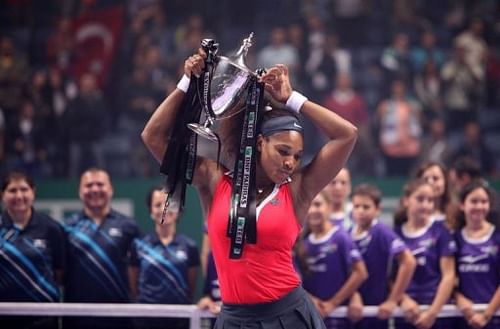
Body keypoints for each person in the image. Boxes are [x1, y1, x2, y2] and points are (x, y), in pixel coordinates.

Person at [141, 47, 358, 328]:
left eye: (297, 156)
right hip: (234, 319)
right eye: (282, 151)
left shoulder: (299, 189)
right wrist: (188, 82)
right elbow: (153, 137)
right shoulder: (213, 179)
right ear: (259, 143)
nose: (291, 162)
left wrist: (291, 99)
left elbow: (347, 134)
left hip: (289, 316)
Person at [63, 167, 140, 329]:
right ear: (80, 191)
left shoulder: (128, 227)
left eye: (100, 184)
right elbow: (58, 274)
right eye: (89, 185)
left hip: (119, 318)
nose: (95, 189)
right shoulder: (67, 228)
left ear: (111, 189)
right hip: (77, 318)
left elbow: (138, 272)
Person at [0, 171, 65, 329]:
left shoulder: (51, 228)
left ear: (33, 193)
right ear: (2, 195)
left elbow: (59, 272)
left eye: (24, 189)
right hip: (4, 317)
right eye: (12, 190)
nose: (19, 196)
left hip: (43, 318)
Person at [129, 186, 200, 329]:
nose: (164, 209)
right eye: (157, 205)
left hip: (180, 321)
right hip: (146, 321)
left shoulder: (189, 247)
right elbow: (134, 287)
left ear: (179, 210)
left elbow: (191, 289)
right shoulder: (138, 246)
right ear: (150, 211)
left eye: (170, 203)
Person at [348, 184, 416, 329]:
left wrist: (393, 300)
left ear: (378, 209)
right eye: (356, 206)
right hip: (351, 311)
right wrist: (353, 296)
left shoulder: (381, 232)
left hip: (376, 312)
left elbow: (408, 262)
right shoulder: (346, 233)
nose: (360, 211)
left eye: (366, 207)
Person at [296, 190, 368, 329]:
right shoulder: (303, 244)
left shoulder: (340, 237)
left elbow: (361, 273)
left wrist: (333, 303)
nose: (313, 210)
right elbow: (295, 280)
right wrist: (311, 300)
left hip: (341, 319)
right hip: (314, 318)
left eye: (317, 204)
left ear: (329, 207)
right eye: (309, 205)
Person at [393, 178, 456, 329]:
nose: (425, 205)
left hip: (437, 314)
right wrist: (402, 299)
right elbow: (390, 277)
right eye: (420, 199)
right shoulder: (395, 234)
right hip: (406, 314)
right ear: (406, 200)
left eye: (430, 200)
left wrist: (432, 313)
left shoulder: (441, 232)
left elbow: (449, 275)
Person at [452, 180, 500, 329]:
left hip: (494, 320)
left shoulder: (497, 236)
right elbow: (447, 279)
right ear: (462, 205)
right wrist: (459, 300)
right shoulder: (454, 238)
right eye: (474, 201)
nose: (479, 206)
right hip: (463, 319)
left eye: (484, 202)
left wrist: (487, 314)